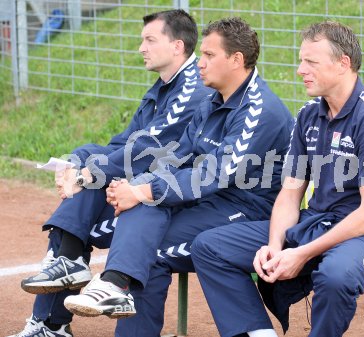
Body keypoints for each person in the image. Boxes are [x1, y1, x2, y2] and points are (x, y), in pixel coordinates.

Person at [62, 17, 294, 337]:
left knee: (148, 249)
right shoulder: (213, 101)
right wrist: (138, 186)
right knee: (143, 210)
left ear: (236, 60)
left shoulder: (260, 110)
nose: (200, 62)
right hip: (210, 202)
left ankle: (116, 281)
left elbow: (213, 174)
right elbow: (176, 155)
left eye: (210, 55)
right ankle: (113, 283)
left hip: (248, 209)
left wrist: (144, 191)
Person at [191, 20, 364, 337]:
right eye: (301, 60)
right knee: (211, 246)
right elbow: (289, 195)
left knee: (335, 276)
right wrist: (274, 246)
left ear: (343, 64)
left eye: (310, 62)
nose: (300, 70)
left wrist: (301, 253)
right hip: (316, 220)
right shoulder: (308, 114)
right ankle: (257, 333)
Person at [11, 9, 213, 337]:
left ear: (177, 46)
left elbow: (144, 148)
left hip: (170, 200)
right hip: (141, 191)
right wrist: (74, 163)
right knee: (75, 211)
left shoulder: (192, 90)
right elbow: (121, 143)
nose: (141, 48)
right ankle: (54, 310)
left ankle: (53, 318)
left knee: (77, 216)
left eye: (150, 39)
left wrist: (87, 173)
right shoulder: (162, 87)